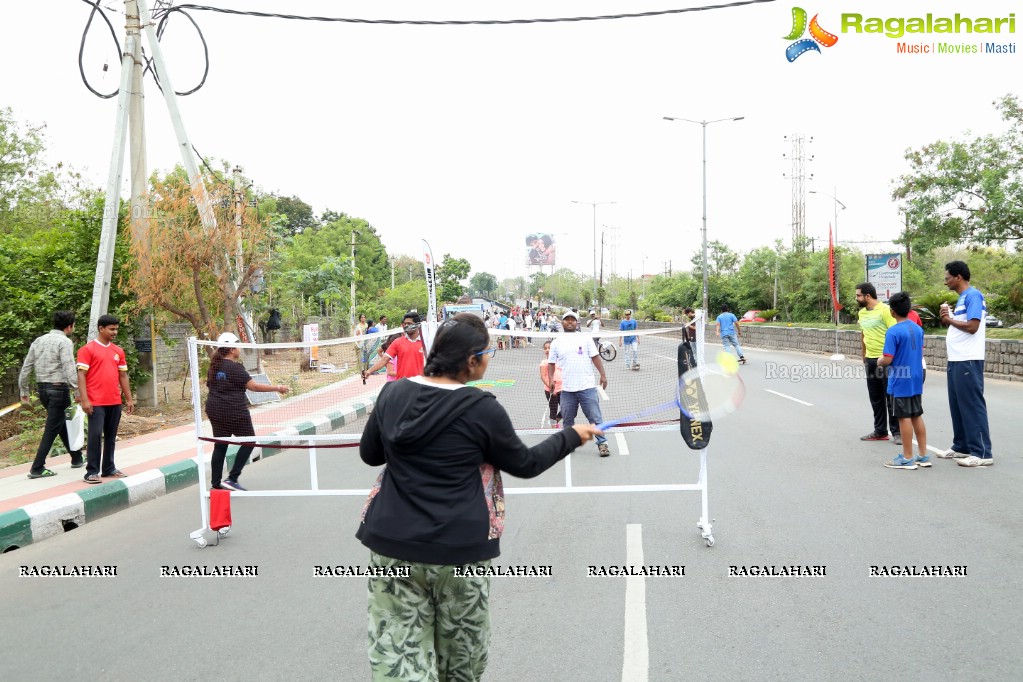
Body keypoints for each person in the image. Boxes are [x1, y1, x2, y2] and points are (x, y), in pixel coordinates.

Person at [357, 313, 601, 679]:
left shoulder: (393, 393)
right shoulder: (482, 409)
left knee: (398, 655)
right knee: (461, 659)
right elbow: (526, 463)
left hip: (392, 544)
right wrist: (571, 435)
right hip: (460, 549)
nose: (489, 359)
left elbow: (371, 454)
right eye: (487, 352)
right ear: (471, 360)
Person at [205, 332, 289, 490]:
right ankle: (232, 478)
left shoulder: (214, 366)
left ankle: (216, 485)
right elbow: (254, 387)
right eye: (237, 345)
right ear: (231, 349)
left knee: (220, 445)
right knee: (249, 441)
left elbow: (211, 386)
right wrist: (278, 387)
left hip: (214, 409)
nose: (240, 349)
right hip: (234, 411)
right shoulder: (235, 367)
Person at [936, 261, 994, 466]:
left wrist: (950, 320)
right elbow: (961, 324)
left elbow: (972, 326)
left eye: (947, 278)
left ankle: (982, 453)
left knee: (971, 404)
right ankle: (962, 446)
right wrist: (948, 317)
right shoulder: (962, 299)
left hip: (968, 359)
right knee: (957, 404)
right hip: (956, 359)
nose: (946, 282)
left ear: (958, 277)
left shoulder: (973, 296)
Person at [18, 310, 84, 478]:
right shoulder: (65, 342)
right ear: (69, 327)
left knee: (60, 424)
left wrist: (23, 390)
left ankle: (77, 458)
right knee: (52, 428)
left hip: (43, 391)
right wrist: (78, 390)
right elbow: (69, 367)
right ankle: (37, 467)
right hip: (59, 390)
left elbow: (26, 366)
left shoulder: (38, 341)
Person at [76, 314, 135, 484]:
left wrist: (129, 399)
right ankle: (91, 472)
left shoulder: (118, 351)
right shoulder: (87, 350)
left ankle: (109, 468)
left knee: (111, 436)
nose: (115, 332)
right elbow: (81, 375)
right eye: (111, 329)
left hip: (114, 401)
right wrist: (85, 400)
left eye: (116, 329)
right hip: (96, 402)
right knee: (95, 435)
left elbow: (123, 376)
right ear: (101, 328)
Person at [548, 310, 611, 457]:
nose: (570, 322)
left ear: (577, 323)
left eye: (573, 320)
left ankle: (602, 443)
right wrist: (551, 379)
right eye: (566, 319)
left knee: (595, 418)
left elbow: (595, 357)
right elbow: (551, 363)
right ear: (562, 322)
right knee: (568, 420)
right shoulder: (556, 342)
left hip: (587, 387)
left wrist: (603, 375)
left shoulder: (585, 338)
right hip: (567, 389)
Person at [877, 293, 928, 470]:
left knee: (903, 417)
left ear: (892, 311)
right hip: (916, 376)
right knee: (916, 414)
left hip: (901, 378)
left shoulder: (893, 331)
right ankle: (922, 455)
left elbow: (888, 359)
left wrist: (879, 360)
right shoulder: (917, 329)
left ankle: (907, 457)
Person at [855, 283, 900, 444]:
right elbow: (863, 335)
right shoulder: (861, 313)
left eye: (858, 295)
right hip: (870, 360)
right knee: (875, 397)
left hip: (886, 360)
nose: (857, 298)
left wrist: (892, 357)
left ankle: (897, 432)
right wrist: (864, 356)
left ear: (868, 296)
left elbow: (895, 333)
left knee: (891, 396)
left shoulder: (885, 310)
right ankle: (880, 431)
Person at [362, 311, 426, 381]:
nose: (406, 326)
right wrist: (369, 371)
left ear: (417, 325)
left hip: (421, 385)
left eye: (409, 323)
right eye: (405, 324)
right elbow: (384, 360)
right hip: (402, 384)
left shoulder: (426, 342)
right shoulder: (397, 342)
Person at [540, 340, 562, 426]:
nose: (547, 350)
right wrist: (550, 387)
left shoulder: (560, 360)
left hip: (562, 388)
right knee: (553, 410)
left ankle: (556, 420)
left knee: (566, 408)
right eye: (545, 348)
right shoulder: (544, 362)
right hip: (550, 390)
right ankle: (553, 428)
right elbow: (542, 376)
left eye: (549, 348)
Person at [679, 307, 698, 373]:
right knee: (693, 353)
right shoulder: (694, 318)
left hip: (695, 339)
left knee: (694, 353)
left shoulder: (695, 318)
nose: (687, 316)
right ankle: (694, 366)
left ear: (690, 312)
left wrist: (688, 325)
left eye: (687, 314)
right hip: (693, 338)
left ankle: (695, 366)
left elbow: (696, 328)